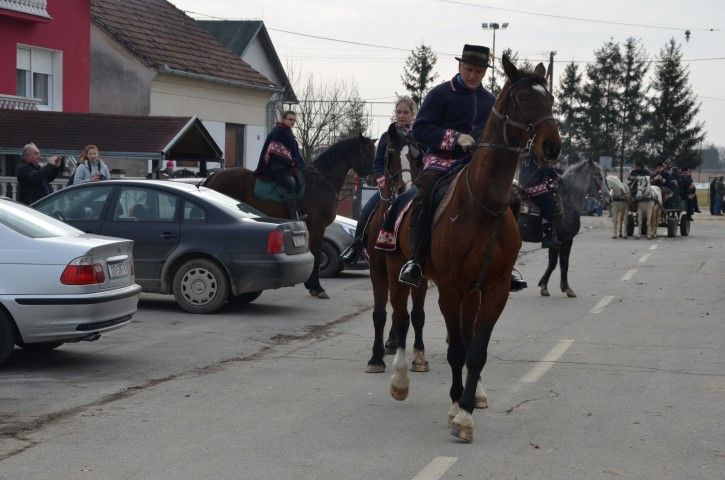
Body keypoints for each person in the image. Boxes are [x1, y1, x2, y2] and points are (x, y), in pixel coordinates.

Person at [398, 44, 527, 292]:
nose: (473, 75)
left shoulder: (490, 101)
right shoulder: (440, 94)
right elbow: (420, 129)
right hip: (440, 161)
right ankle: (416, 260)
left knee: (511, 198)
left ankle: (506, 266)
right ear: (460, 66)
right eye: (469, 69)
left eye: (479, 71)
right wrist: (454, 138)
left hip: (476, 165)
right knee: (426, 194)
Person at [340, 96, 419, 266]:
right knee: (366, 211)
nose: (401, 115)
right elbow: (377, 162)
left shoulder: (419, 135)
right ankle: (356, 246)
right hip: (390, 184)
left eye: (405, 112)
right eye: (399, 112)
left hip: (415, 184)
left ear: (413, 114)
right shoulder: (386, 137)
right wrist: (380, 178)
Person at [254, 110, 306, 219]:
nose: (292, 122)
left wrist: (301, 164)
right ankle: (294, 216)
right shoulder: (278, 131)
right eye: (290, 119)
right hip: (276, 167)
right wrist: (291, 162)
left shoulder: (288, 132)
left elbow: (294, 152)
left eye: (294, 120)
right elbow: (274, 152)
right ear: (283, 119)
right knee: (290, 184)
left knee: (300, 180)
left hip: (286, 167)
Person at [518, 154, 564, 248]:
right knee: (549, 208)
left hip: (524, 188)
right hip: (535, 189)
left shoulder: (526, 157)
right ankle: (547, 238)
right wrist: (558, 177)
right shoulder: (538, 156)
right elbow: (548, 169)